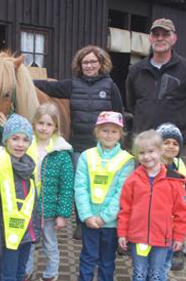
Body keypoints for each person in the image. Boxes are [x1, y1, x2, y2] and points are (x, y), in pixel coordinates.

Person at [34, 45, 124, 239]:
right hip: (80, 145)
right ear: (79, 65)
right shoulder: (73, 85)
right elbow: (49, 86)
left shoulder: (110, 86)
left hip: (105, 146)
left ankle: (105, 220)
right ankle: (82, 222)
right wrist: (25, 80)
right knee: (80, 184)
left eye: (93, 61)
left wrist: (119, 144)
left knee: (106, 184)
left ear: (101, 64)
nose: (89, 65)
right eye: (85, 62)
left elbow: (119, 114)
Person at [126, 18, 186, 159]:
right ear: (150, 38)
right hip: (144, 143)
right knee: (141, 181)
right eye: (156, 34)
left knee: (175, 179)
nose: (160, 38)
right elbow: (131, 104)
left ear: (174, 38)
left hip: (173, 145)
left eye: (165, 34)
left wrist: (180, 124)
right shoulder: (135, 70)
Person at [117, 130, 186, 281]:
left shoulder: (174, 181)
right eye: (142, 153)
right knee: (139, 273)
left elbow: (182, 212)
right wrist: (122, 233)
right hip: (138, 237)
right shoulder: (132, 180)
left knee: (157, 275)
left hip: (162, 239)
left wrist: (179, 237)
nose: (147, 156)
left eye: (151, 151)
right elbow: (125, 209)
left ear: (161, 150)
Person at [75, 111, 134, 281]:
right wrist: (87, 216)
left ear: (120, 134)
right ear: (97, 132)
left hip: (110, 223)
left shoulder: (126, 160)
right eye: (105, 130)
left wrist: (104, 217)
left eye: (114, 131)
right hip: (89, 220)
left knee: (107, 261)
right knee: (87, 257)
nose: (109, 135)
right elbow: (80, 187)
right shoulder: (87, 156)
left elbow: (122, 193)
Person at [0, 114, 40, 281]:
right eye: (15, 138)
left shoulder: (29, 166)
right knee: (8, 276)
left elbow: (33, 204)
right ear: (6, 140)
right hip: (7, 237)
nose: (20, 144)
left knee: (21, 274)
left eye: (25, 140)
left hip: (26, 235)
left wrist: (35, 231)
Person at [24, 103, 74, 281]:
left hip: (50, 211)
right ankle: (26, 272)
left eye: (49, 124)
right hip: (27, 209)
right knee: (28, 243)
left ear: (55, 127)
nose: (44, 128)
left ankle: (50, 275)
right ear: (34, 124)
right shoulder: (25, 147)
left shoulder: (61, 153)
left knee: (50, 244)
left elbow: (67, 187)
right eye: (40, 123)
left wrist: (62, 214)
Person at [156, 122, 186, 274]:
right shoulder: (149, 167)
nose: (171, 146)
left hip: (172, 227)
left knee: (164, 266)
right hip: (152, 226)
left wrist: (184, 227)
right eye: (166, 143)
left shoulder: (183, 170)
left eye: (175, 143)